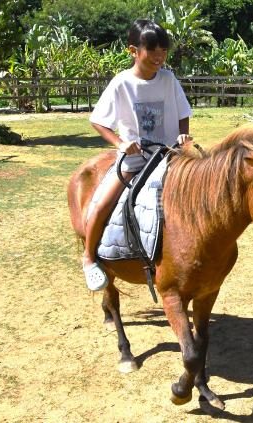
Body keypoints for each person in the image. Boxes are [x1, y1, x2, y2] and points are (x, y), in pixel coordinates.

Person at [83, 19, 192, 291]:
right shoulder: (122, 83)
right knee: (102, 203)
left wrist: (183, 135)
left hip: (168, 156)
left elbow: (183, 113)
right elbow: (98, 121)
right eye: (152, 50)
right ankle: (88, 258)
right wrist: (120, 143)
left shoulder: (168, 79)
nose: (159, 56)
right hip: (136, 159)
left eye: (163, 50)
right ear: (133, 50)